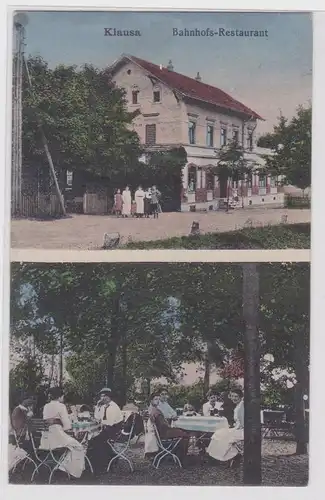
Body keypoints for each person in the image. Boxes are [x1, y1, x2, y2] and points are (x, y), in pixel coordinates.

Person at [40, 387, 85, 479]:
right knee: (79, 446)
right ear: (60, 396)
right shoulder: (61, 406)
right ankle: (67, 469)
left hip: (45, 440)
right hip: (57, 439)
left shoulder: (46, 406)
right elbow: (67, 426)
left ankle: (62, 466)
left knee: (72, 445)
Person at [88, 388, 123, 476]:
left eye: (104, 396)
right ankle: (109, 457)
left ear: (109, 397)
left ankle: (100, 462)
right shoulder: (104, 406)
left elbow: (110, 423)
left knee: (95, 440)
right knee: (94, 438)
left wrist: (100, 422)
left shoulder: (113, 407)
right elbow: (97, 417)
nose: (102, 398)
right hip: (107, 429)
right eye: (101, 396)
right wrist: (97, 406)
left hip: (115, 430)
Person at [149, 393, 189, 464]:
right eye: (155, 399)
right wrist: (171, 427)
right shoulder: (156, 411)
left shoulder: (154, 410)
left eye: (158, 399)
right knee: (185, 434)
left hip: (162, 431)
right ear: (151, 401)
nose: (157, 401)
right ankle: (182, 458)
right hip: (164, 433)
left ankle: (178, 454)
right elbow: (163, 425)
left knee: (182, 432)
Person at [207, 389, 244, 464]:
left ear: (241, 397)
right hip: (238, 428)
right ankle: (215, 456)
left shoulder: (242, 406)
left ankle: (228, 456)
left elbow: (243, 423)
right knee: (219, 433)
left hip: (243, 431)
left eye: (236, 396)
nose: (234, 398)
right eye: (232, 396)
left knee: (223, 435)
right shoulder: (238, 405)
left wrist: (236, 428)